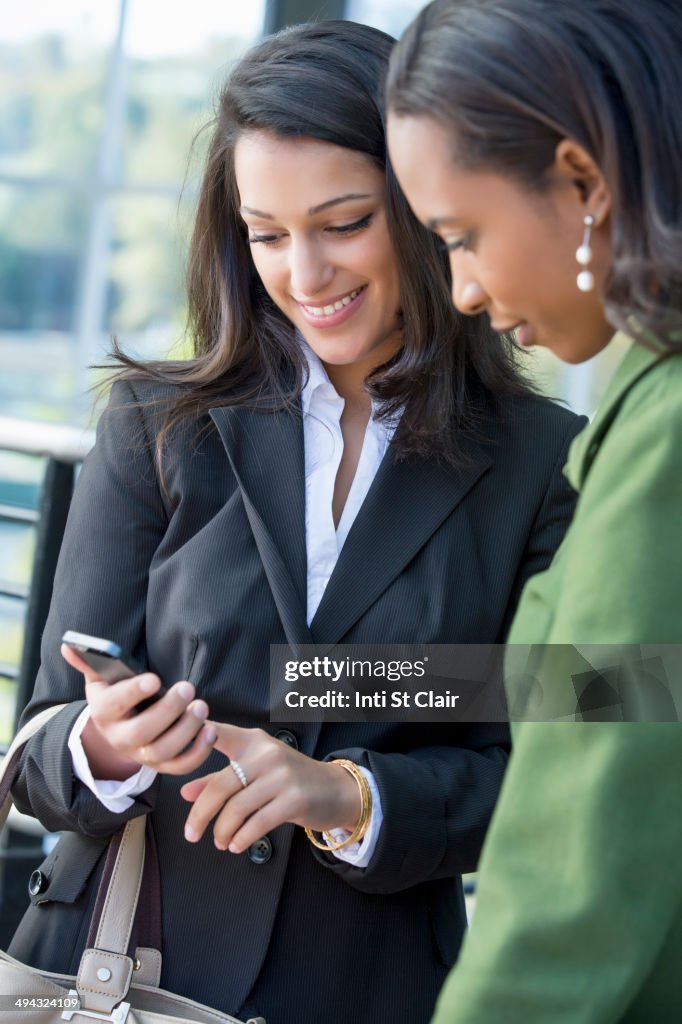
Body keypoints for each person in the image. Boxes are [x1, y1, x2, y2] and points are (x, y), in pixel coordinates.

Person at [9, 20, 582, 1024]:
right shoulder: (158, 425)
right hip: (115, 974)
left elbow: (569, 742)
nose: (304, 274)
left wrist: (348, 794)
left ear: (422, 205)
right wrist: (104, 742)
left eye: (344, 221)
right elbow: (44, 749)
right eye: (266, 233)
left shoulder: (542, 460)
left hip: (364, 987)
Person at [386, 1, 682, 1020]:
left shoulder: (637, 425)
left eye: (460, 236)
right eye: (264, 232)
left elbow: (612, 712)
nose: (460, 287)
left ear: (583, 182)